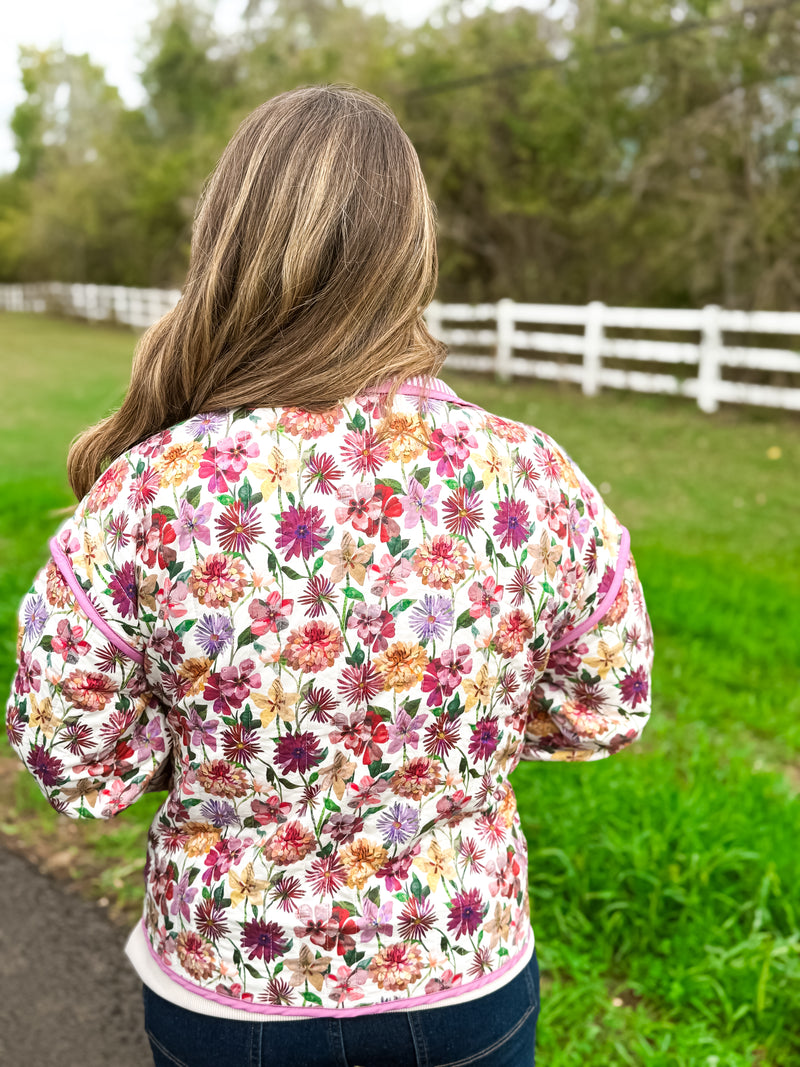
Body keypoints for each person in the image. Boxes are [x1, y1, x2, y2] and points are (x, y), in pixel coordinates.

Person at [5, 84, 653, 1067]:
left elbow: (75, 763)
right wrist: (453, 743)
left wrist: (209, 758)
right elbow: (605, 707)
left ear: (223, 244)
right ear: (411, 252)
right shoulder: (529, 474)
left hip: (231, 990)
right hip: (461, 975)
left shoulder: (149, 489)